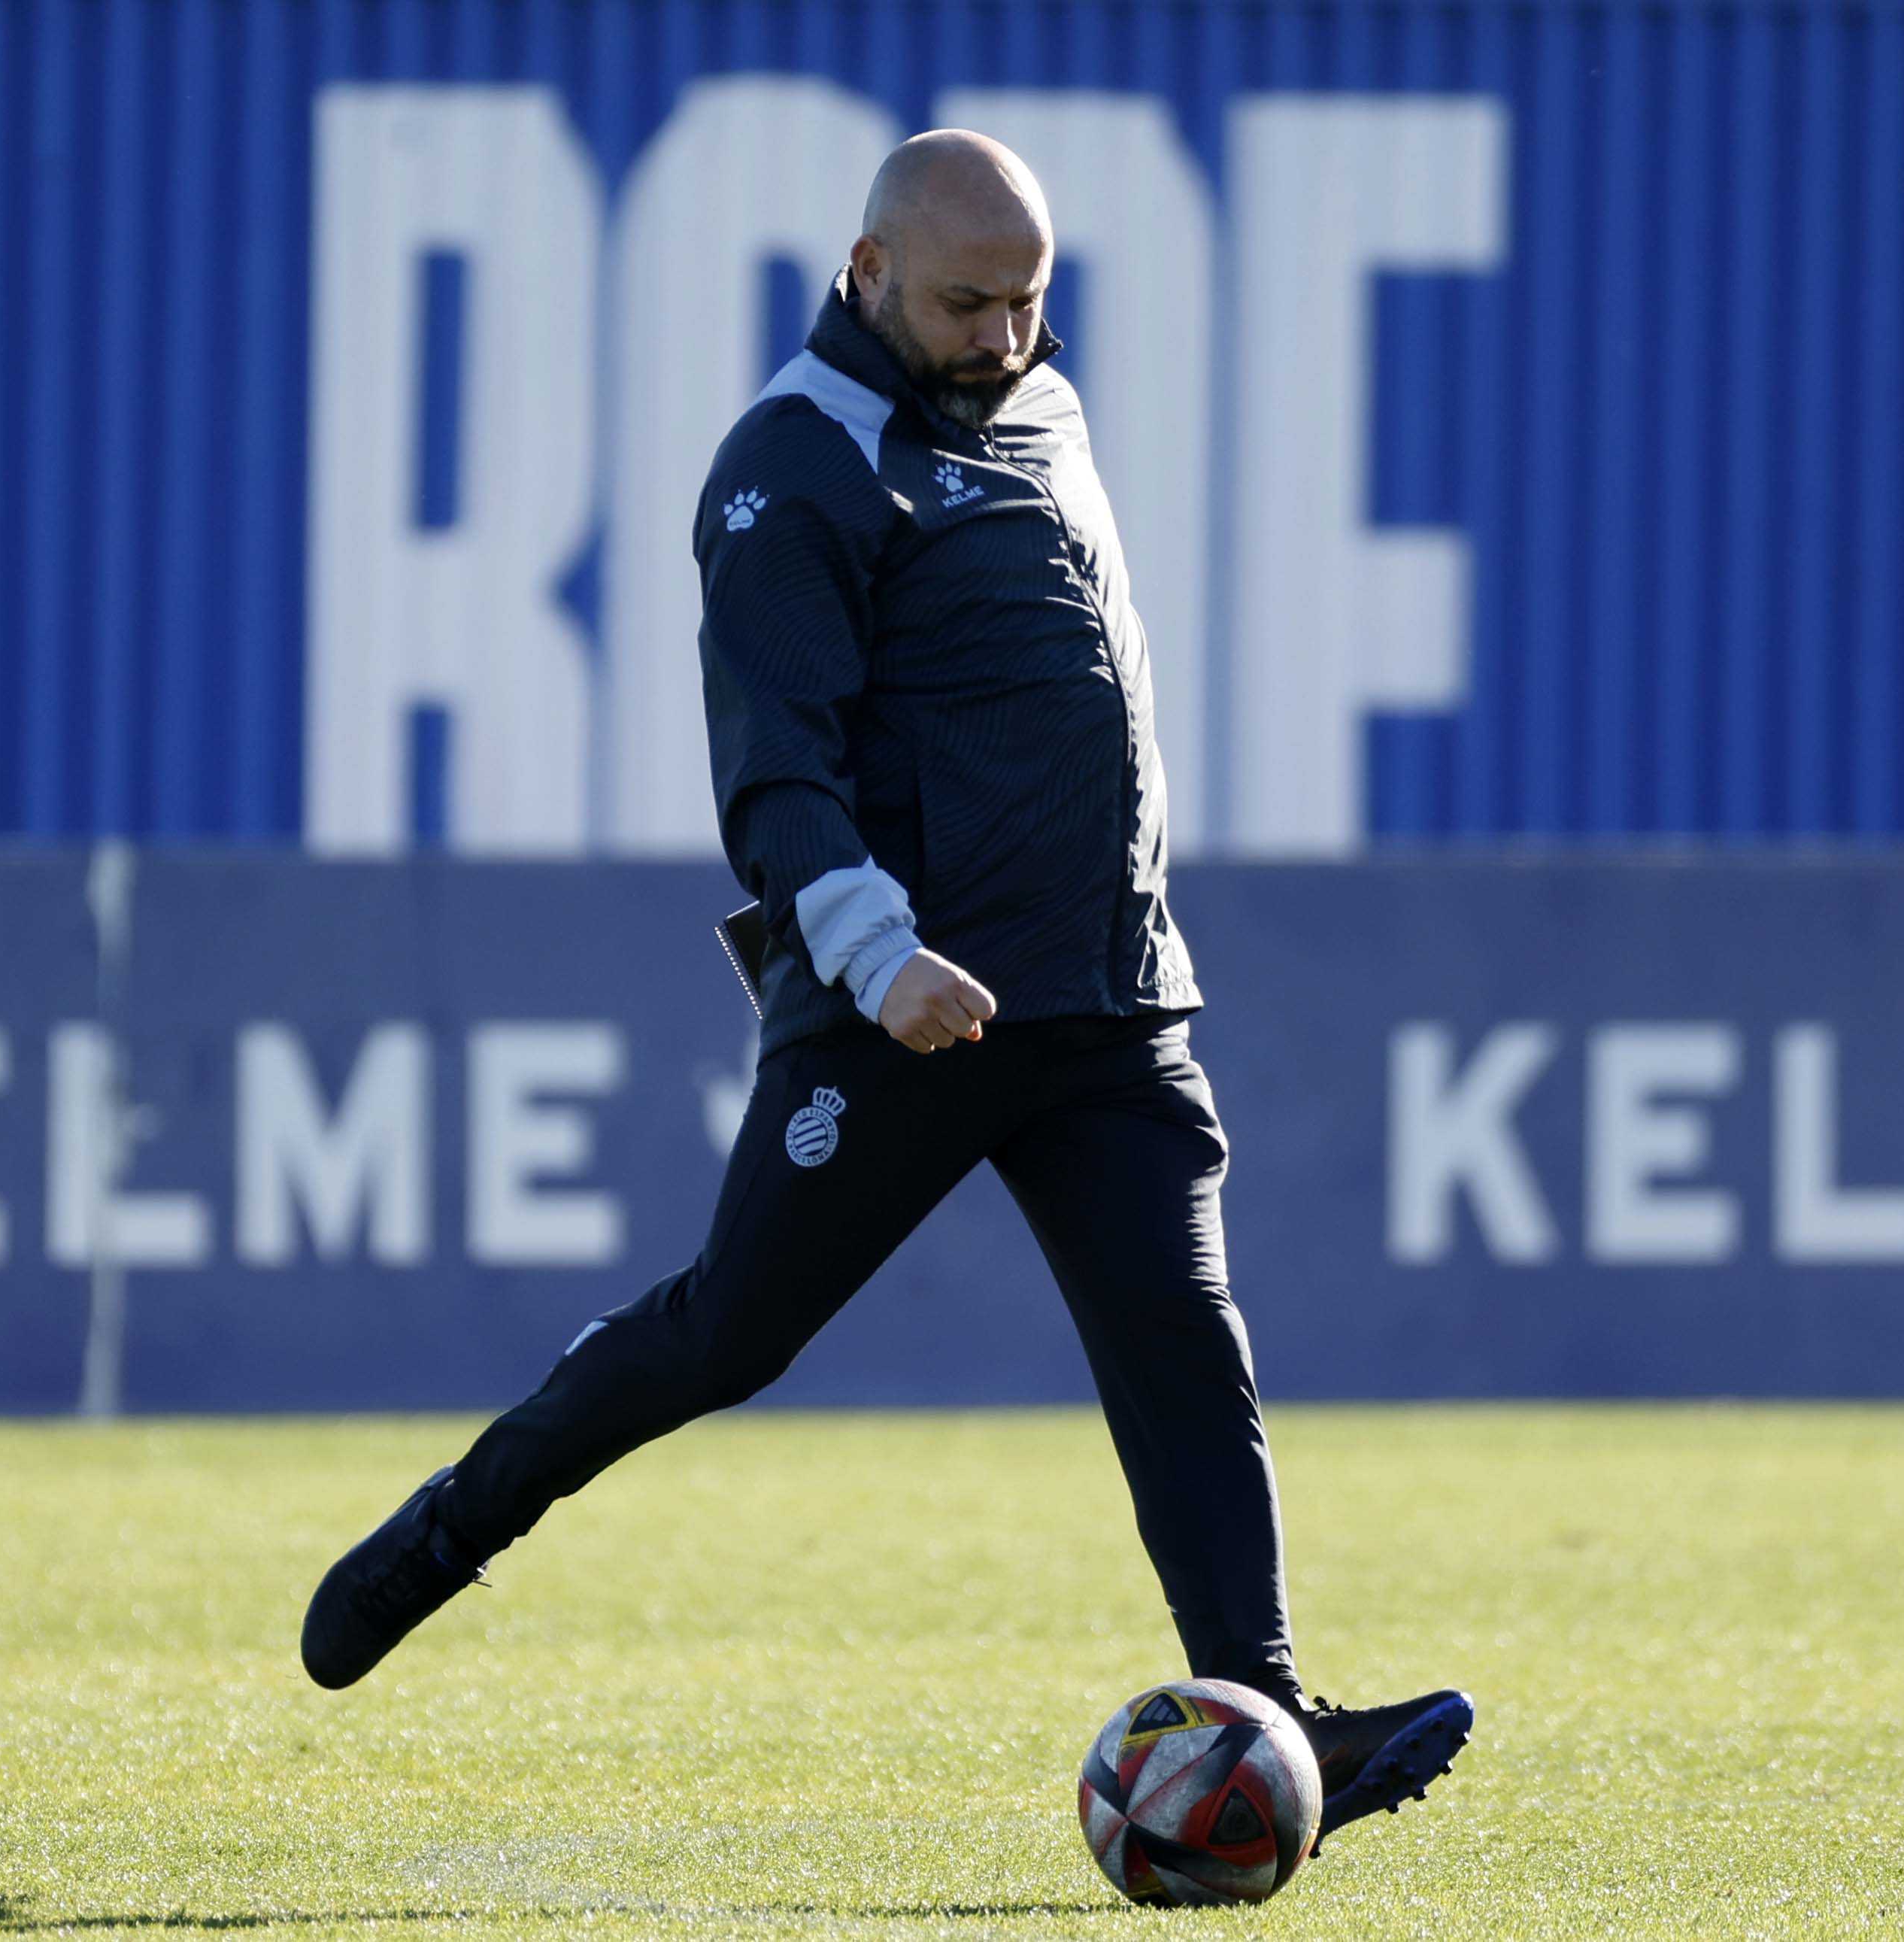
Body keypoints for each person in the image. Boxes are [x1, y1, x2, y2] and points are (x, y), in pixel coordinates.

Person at [302, 129, 1471, 1844]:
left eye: (1028, 300)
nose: (1003, 334)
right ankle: (448, 1529)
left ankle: (1267, 1710)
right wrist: (875, 952)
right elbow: (776, 771)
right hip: (910, 1010)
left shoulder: (1041, 402)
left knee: (1181, 1339)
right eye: (964, 302)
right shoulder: (793, 460)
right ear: (867, 272)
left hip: (1107, 1002)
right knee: (728, 1334)